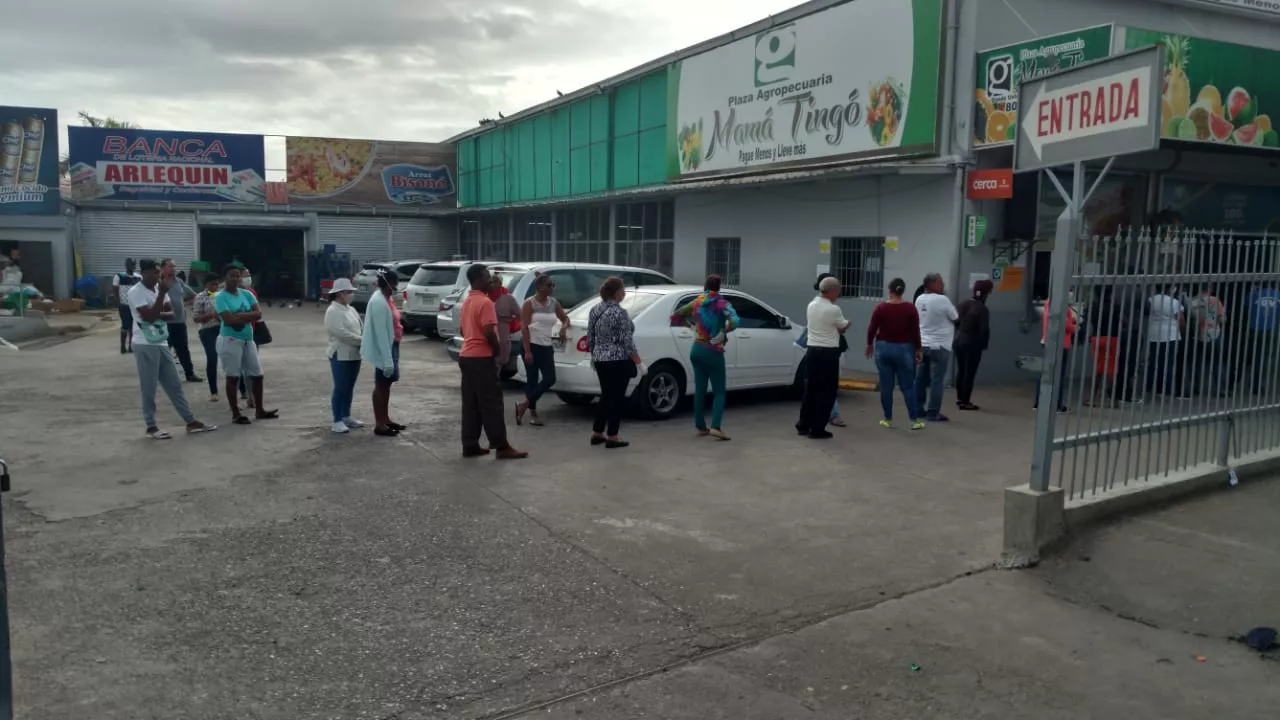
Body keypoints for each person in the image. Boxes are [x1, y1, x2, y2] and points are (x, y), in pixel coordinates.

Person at [126, 259, 216, 439]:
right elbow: (150, 317)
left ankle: (190, 421)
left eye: (157, 272)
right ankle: (151, 426)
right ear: (143, 273)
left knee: (174, 385)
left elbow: (171, 313)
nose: (156, 276)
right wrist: (159, 301)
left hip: (160, 341)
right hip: (144, 343)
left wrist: (156, 310)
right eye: (153, 273)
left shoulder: (160, 289)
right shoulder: (136, 292)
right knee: (149, 386)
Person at [458, 263, 528, 459]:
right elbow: (489, 331)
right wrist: (495, 349)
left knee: (471, 404)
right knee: (492, 403)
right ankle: (501, 446)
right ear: (479, 280)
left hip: (467, 357)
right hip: (481, 358)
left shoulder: (467, 302)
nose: (490, 281)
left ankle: (470, 444)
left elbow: (462, 331)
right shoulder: (486, 302)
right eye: (487, 277)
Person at [671, 274, 740, 440]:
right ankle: (716, 426)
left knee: (700, 390)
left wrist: (692, 327)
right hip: (713, 350)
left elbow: (676, 316)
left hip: (697, 349)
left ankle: (701, 426)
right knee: (719, 392)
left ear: (705, 286)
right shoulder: (722, 303)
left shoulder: (696, 302)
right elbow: (735, 320)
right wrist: (724, 331)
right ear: (719, 287)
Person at [215, 264, 277, 424]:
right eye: (232, 276)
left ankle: (259, 409)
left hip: (248, 338)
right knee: (233, 376)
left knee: (257, 374)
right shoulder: (220, 296)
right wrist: (248, 316)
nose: (236, 279)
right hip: (230, 340)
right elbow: (227, 320)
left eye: (238, 276)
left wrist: (240, 315)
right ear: (225, 278)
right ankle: (235, 412)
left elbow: (258, 314)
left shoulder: (247, 294)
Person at [588, 277, 644, 448]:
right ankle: (613, 435)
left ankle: (597, 432)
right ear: (618, 292)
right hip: (617, 360)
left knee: (606, 395)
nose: (625, 293)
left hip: (600, 359)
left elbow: (591, 335)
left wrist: (594, 355)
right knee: (617, 399)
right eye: (623, 290)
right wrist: (639, 362)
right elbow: (627, 341)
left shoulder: (595, 309)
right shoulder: (620, 313)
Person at [866, 277, 923, 430]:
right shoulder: (910, 308)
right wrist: (918, 349)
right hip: (904, 348)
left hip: (883, 348)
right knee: (908, 386)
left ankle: (887, 419)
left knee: (886, 386)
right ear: (902, 291)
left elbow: (872, 328)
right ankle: (914, 420)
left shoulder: (880, 308)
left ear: (889, 291)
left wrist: (869, 344)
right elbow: (915, 331)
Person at [796, 275, 848, 439]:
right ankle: (817, 428)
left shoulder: (812, 305)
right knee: (827, 392)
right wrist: (847, 323)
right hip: (828, 354)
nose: (839, 293)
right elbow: (842, 326)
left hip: (812, 351)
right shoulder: (833, 309)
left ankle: (803, 424)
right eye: (838, 290)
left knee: (811, 389)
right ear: (832, 291)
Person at [515, 273, 569, 426]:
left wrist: (563, 328)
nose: (552, 288)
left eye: (553, 285)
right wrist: (527, 351)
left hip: (546, 346)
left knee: (550, 378)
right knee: (532, 379)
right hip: (531, 344)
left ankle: (524, 404)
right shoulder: (529, 303)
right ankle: (533, 412)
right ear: (539, 287)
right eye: (549, 285)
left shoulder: (553, 303)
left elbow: (565, 318)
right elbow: (524, 328)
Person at [361, 269, 404, 437]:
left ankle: (385, 418)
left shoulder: (387, 299)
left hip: (392, 344)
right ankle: (379, 423)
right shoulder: (379, 302)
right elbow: (380, 332)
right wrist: (387, 359)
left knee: (387, 384)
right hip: (384, 347)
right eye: (394, 284)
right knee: (380, 384)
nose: (395, 287)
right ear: (387, 284)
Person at [914, 272, 958, 422]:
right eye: (940, 282)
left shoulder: (919, 299)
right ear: (932, 284)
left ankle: (918, 408)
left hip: (923, 344)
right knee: (937, 381)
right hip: (940, 346)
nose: (943, 284)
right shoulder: (942, 300)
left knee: (921, 378)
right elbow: (955, 317)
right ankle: (933, 412)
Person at [325, 277, 365, 434]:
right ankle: (337, 420)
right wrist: (362, 341)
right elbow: (341, 334)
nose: (350, 295)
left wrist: (362, 339)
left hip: (354, 353)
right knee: (340, 387)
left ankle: (346, 416)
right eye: (348, 292)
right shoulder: (333, 311)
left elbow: (360, 327)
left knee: (349, 387)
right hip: (340, 353)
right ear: (340, 294)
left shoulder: (351, 309)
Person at [953, 279, 994, 411]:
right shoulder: (982, 309)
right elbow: (984, 330)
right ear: (986, 293)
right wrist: (983, 344)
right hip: (972, 344)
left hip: (959, 341)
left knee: (961, 370)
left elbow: (956, 321)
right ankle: (966, 401)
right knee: (969, 373)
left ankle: (959, 398)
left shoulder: (963, 304)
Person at [160, 258, 201, 383]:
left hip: (179, 322)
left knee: (183, 349)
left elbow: (195, 295)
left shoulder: (179, 282)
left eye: (174, 266)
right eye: (170, 266)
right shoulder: (158, 283)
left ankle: (190, 374)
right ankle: (163, 375)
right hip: (164, 323)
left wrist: (185, 304)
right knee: (164, 350)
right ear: (163, 268)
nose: (173, 268)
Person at [1035, 297, 1078, 413]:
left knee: (1046, 373)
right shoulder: (1060, 302)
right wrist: (1074, 327)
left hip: (1048, 341)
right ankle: (1057, 404)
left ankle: (1039, 402)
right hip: (1061, 344)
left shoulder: (1049, 303)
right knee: (1059, 375)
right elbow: (1063, 323)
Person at [1146, 285, 1186, 398]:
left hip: (1154, 334)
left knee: (1154, 362)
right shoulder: (1174, 302)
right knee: (1168, 363)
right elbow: (1181, 321)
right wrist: (1183, 333)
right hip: (1171, 335)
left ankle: (1150, 387)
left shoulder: (1151, 299)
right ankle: (1165, 390)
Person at [1187, 285, 1227, 397]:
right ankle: (1221, 389)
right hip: (1214, 334)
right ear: (1209, 288)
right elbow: (1222, 320)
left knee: (1196, 363)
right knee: (1217, 363)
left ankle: (1196, 388)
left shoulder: (1192, 301)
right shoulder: (1215, 300)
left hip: (1198, 335)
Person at [191, 275, 223, 403]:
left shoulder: (222, 295)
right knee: (212, 358)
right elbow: (196, 318)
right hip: (207, 330)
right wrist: (211, 315)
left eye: (217, 284)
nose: (215, 287)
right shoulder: (200, 297)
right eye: (212, 284)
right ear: (206, 285)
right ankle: (213, 391)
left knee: (232, 358)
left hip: (222, 329)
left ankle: (242, 390)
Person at [489, 273, 522, 372]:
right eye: (491, 282)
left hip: (502, 333)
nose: (493, 284)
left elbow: (519, 315)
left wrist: (510, 321)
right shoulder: (484, 297)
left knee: (500, 359)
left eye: (496, 282)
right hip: (488, 333)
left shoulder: (508, 298)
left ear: (500, 283)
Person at [113, 258, 142, 354]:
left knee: (133, 326)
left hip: (135, 305)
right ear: (126, 265)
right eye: (130, 264)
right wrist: (118, 303)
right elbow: (115, 290)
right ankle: (122, 346)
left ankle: (131, 346)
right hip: (124, 305)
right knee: (125, 326)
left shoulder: (138, 277)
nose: (132, 266)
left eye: (133, 264)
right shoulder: (119, 276)